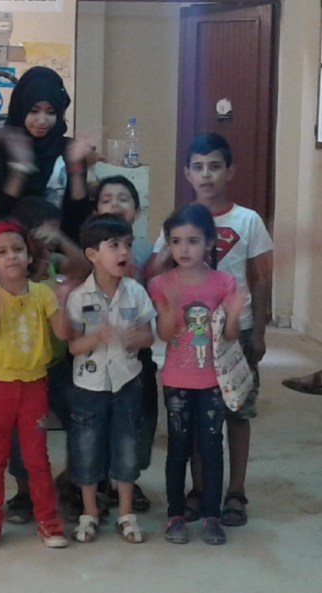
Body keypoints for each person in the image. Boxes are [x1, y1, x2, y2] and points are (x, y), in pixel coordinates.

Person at [148, 133, 273, 527]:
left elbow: (261, 278)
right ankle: (200, 490)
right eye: (198, 167)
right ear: (187, 173)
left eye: (215, 166)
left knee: (237, 411)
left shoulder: (248, 220)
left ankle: (235, 491)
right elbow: (155, 269)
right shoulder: (180, 222)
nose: (206, 174)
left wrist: (259, 330)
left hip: (237, 333)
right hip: (192, 340)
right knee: (198, 420)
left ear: (229, 171)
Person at [149, 203, 244, 546]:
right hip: (177, 381)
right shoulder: (160, 284)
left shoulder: (224, 282)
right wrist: (171, 308)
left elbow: (230, 335)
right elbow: (163, 335)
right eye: (176, 241)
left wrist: (235, 313)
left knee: (211, 448)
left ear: (209, 243)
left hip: (212, 381)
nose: (184, 249)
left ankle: (212, 516)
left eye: (192, 241)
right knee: (178, 447)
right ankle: (176, 514)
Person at [0, 219, 71, 550]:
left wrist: (62, 300)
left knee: (37, 458)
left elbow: (63, 334)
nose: (11, 256)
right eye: (2, 252)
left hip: (34, 386)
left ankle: (48, 521)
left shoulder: (43, 293)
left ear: (30, 257)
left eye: (17, 250)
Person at [66, 214, 156, 544]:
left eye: (128, 245)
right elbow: (73, 346)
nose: (124, 252)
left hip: (127, 382)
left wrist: (137, 339)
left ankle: (126, 513)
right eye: (114, 245)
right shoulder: (79, 297)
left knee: (127, 445)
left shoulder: (136, 292)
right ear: (92, 255)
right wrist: (96, 338)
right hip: (88, 387)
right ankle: (89, 511)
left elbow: (149, 335)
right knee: (87, 447)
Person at [1, 196, 90, 524]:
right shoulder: (11, 268)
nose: (49, 240)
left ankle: (72, 483)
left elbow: (82, 266)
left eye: (55, 232)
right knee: (19, 434)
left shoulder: (55, 261)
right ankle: (24, 492)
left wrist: (60, 240)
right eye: (45, 233)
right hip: (21, 371)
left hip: (55, 364)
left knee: (81, 420)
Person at [94, 176, 157, 512]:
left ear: (137, 210)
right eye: (106, 199)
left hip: (136, 350)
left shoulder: (147, 251)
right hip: (99, 352)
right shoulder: (90, 251)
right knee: (101, 419)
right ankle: (101, 480)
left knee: (140, 418)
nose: (114, 204)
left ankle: (128, 479)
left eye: (123, 198)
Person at [0, 66, 94, 243]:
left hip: (63, 247)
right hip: (16, 248)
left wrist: (76, 166)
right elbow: (0, 217)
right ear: (21, 108)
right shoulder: (3, 151)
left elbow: (80, 217)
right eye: (34, 111)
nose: (42, 121)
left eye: (51, 112)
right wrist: (19, 169)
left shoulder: (70, 150)